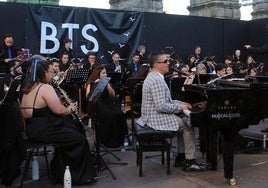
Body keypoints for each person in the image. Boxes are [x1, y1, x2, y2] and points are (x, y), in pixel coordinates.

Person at [20, 55, 97, 185]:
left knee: (70, 129)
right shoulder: (46, 88)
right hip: (45, 130)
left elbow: (41, 108)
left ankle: (59, 169)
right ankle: (77, 176)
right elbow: (60, 111)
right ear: (44, 73)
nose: (53, 74)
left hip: (33, 129)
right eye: (51, 71)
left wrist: (59, 101)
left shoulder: (29, 87)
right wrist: (70, 108)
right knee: (79, 139)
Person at [136, 51, 206, 172]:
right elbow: (161, 106)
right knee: (187, 125)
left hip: (153, 115)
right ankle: (190, 161)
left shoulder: (155, 77)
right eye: (165, 61)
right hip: (154, 118)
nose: (169, 63)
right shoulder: (156, 80)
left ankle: (180, 156)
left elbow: (166, 101)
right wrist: (180, 107)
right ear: (156, 64)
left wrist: (180, 104)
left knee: (183, 121)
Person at [85, 65, 128, 148]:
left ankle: (118, 140)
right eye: (103, 73)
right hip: (95, 105)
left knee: (119, 113)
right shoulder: (90, 83)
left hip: (107, 103)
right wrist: (96, 84)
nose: (105, 75)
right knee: (109, 115)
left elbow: (112, 95)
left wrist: (107, 84)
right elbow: (88, 97)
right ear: (98, 74)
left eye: (105, 73)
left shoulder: (107, 82)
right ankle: (107, 141)